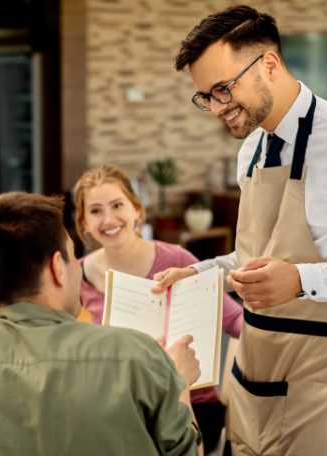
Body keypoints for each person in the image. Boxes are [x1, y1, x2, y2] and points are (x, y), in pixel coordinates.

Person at [154, 5, 327, 455]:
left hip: (325, 370)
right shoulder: (251, 147)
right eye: (205, 96)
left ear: (269, 64)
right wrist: (202, 273)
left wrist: (300, 281)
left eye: (222, 89)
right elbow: (253, 254)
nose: (215, 108)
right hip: (254, 360)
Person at [0, 191, 202, 456]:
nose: (78, 266)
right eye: (72, 255)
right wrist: (180, 385)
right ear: (57, 267)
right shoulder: (136, 355)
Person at [74, 164, 243, 454]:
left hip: (194, 403)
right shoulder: (78, 275)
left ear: (137, 210)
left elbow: (235, 320)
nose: (109, 219)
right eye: (96, 210)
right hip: (125, 405)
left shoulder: (176, 260)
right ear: (84, 222)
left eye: (117, 205)